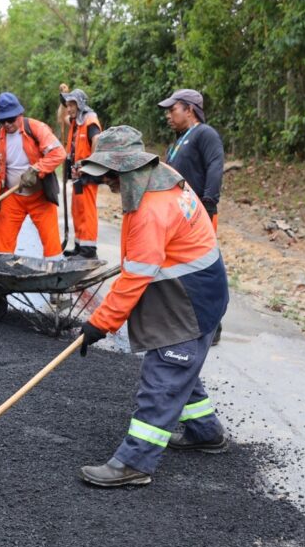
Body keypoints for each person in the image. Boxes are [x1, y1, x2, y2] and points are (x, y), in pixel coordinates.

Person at [74, 126, 229, 488]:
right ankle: (205, 432)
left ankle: (134, 462)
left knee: (164, 375)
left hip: (192, 298)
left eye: (110, 175)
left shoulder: (150, 208)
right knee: (180, 364)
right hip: (195, 287)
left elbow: (135, 278)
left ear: (127, 169)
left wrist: (99, 324)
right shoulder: (163, 175)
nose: (108, 183)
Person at [158, 88, 226, 343]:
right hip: (179, 216)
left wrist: (208, 204)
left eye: (172, 109)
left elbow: (215, 166)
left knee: (201, 268)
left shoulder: (204, 134)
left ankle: (212, 327)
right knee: (181, 268)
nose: (168, 115)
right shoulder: (178, 140)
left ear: (189, 109)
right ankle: (186, 320)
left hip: (199, 215)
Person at [0, 92, 67, 260]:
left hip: (40, 197)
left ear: (19, 114)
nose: (7, 124)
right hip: (12, 198)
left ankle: (55, 279)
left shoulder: (36, 128)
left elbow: (59, 153)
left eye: (11, 119)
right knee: (0, 247)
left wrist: (36, 170)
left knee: (52, 246)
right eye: (3, 121)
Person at [61, 88, 103, 259]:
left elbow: (97, 140)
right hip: (77, 174)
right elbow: (61, 117)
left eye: (71, 105)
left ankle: (88, 251)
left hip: (87, 174)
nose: (68, 108)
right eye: (67, 105)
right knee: (77, 210)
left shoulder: (89, 120)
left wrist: (90, 163)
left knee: (87, 211)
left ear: (79, 105)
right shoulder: (75, 121)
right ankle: (79, 246)